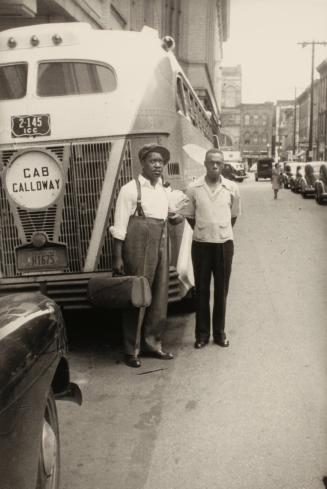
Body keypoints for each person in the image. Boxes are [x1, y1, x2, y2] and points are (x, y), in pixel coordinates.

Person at [110, 143, 183, 368]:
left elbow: (171, 215)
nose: (158, 165)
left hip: (161, 241)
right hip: (139, 244)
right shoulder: (130, 189)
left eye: (161, 161)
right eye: (153, 161)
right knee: (139, 296)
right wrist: (118, 257)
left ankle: (154, 344)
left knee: (160, 296)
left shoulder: (164, 188)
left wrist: (175, 217)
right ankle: (131, 350)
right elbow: (120, 225)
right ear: (142, 163)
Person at [182, 148, 241, 349]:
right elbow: (189, 216)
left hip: (224, 245)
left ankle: (219, 333)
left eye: (219, 163)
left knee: (221, 291)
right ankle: (202, 335)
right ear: (205, 164)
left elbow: (233, 215)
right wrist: (204, 230)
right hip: (201, 245)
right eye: (211, 162)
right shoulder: (193, 188)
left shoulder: (232, 187)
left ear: (223, 165)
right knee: (202, 290)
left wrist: (220, 231)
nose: (215, 166)